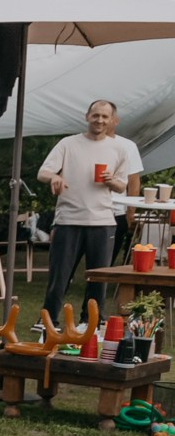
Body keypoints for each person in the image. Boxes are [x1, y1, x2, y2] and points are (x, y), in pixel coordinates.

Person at [38, 98, 144, 326]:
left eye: (105, 116)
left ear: (112, 120)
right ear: (87, 116)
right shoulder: (68, 144)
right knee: (59, 277)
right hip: (68, 220)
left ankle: (91, 322)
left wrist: (111, 181)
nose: (99, 120)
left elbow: (122, 186)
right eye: (96, 115)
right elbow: (43, 172)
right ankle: (47, 321)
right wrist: (55, 176)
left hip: (103, 222)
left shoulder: (119, 149)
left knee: (98, 279)